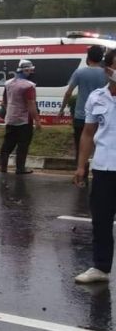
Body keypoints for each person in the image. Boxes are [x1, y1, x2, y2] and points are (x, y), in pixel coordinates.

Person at [74, 48, 116, 284]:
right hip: (103, 169)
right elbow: (88, 134)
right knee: (100, 220)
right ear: (107, 69)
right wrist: (81, 166)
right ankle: (100, 268)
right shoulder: (96, 97)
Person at [59, 45, 107, 185]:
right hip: (101, 116)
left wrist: (62, 109)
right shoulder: (106, 73)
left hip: (81, 116)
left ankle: (82, 174)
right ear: (101, 58)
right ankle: (100, 176)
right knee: (99, 145)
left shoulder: (80, 72)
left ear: (88, 57)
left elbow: (69, 92)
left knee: (81, 145)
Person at [0, 59, 41, 174]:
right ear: (26, 70)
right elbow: (31, 104)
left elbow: (4, 101)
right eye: (30, 70)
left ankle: (3, 167)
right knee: (23, 145)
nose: (31, 73)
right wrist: (37, 120)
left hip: (11, 118)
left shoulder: (8, 83)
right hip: (24, 120)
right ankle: (20, 168)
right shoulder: (28, 86)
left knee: (7, 144)